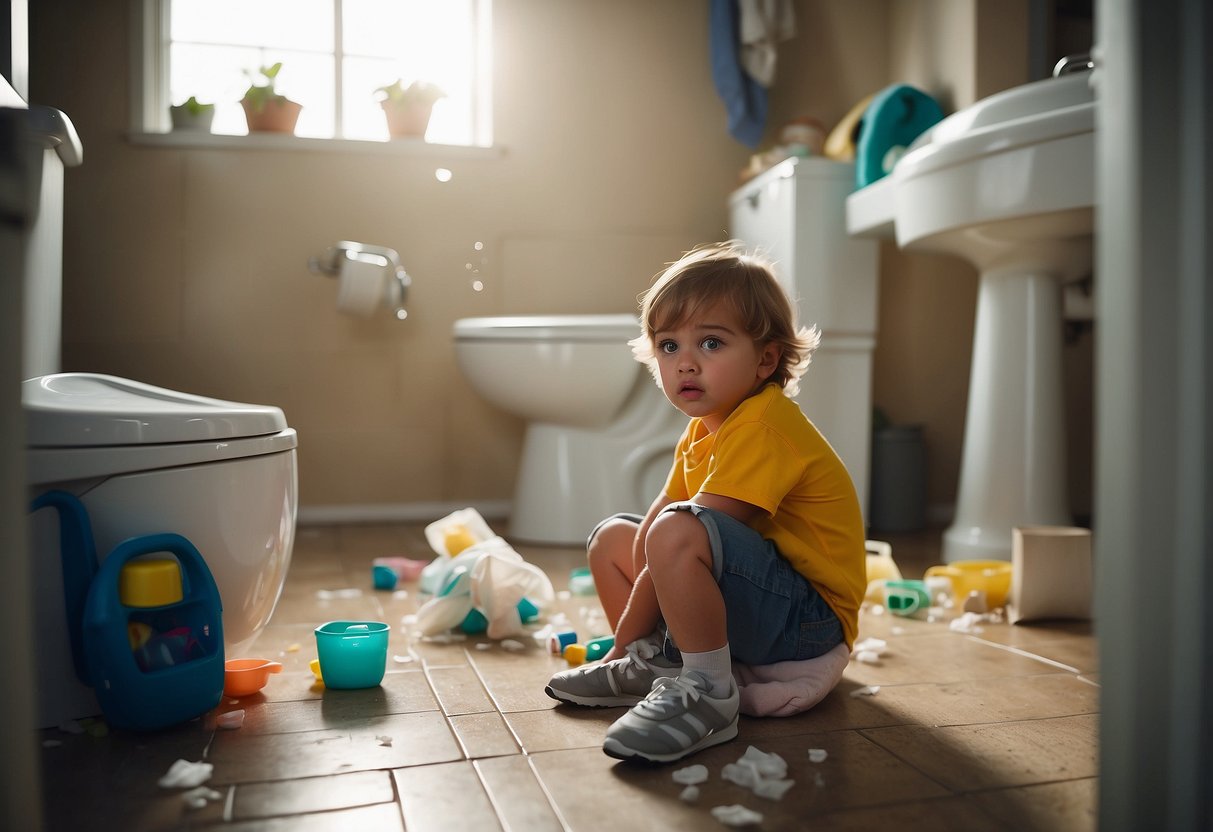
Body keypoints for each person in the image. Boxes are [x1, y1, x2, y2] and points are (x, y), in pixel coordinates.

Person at [545, 241, 867, 764]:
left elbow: (680, 534)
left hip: (809, 621)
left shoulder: (764, 425)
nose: (685, 363)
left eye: (711, 344)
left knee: (676, 530)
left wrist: (620, 641)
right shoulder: (701, 432)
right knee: (613, 539)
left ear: (766, 360)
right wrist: (634, 638)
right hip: (761, 600)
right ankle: (656, 666)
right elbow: (650, 537)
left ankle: (707, 694)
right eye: (669, 346)